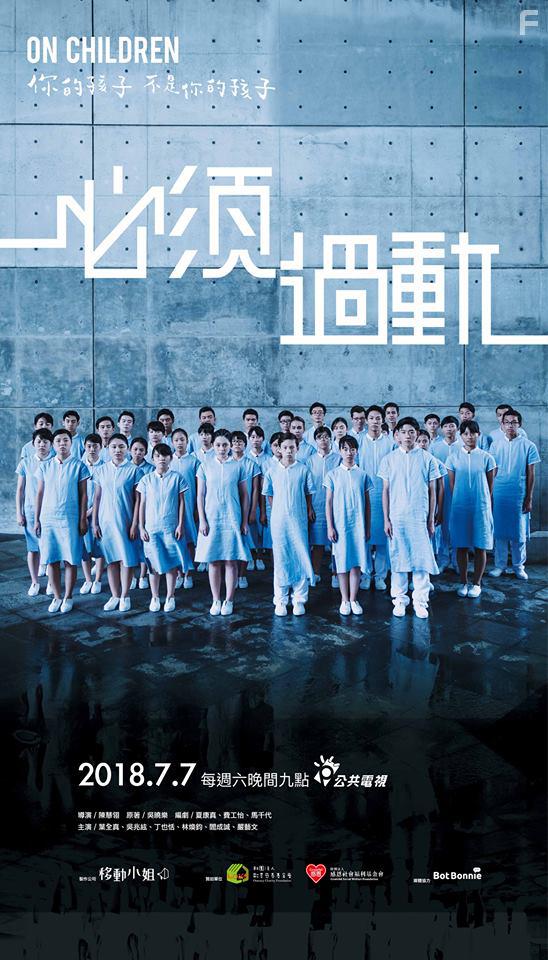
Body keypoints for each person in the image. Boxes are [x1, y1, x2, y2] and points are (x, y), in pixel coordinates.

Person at [379, 418, 442, 618]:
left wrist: (430, 519)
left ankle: (420, 601)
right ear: (397, 435)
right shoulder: (389, 459)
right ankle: (399, 600)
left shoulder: (427, 458)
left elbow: (433, 491)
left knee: (421, 560)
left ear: (417, 433)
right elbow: (385, 491)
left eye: (412, 431)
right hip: (397, 517)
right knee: (399, 559)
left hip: (419, 517)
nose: (408, 435)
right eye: (404, 431)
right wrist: (386, 519)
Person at [194, 429, 251, 616]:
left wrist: (244, 521)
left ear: (230, 446)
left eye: (225, 445)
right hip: (211, 519)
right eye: (218, 445)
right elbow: (200, 495)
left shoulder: (238, 466)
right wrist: (202, 520)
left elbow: (245, 495)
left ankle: (229, 600)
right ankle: (216, 599)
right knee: (214, 560)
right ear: (213, 445)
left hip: (232, 518)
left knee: (230, 560)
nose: (221, 448)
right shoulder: (204, 466)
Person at [34, 429, 90, 613]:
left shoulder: (79, 466)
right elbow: (39, 493)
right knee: (51, 559)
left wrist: (83, 518)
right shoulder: (45, 466)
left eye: (65, 440)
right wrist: (36, 519)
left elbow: (84, 495)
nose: (62, 444)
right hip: (48, 518)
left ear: (71, 443)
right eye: (58, 440)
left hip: (70, 518)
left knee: (70, 559)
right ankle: (57, 597)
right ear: (53, 444)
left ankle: (68, 597)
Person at [262, 433, 315, 617]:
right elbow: (269, 494)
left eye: (292, 447)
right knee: (281, 556)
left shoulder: (303, 469)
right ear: (279, 449)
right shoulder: (272, 471)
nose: (289, 451)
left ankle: (299, 599)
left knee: (300, 554)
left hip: (299, 519)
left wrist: (307, 509)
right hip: (279, 521)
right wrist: (279, 509)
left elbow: (308, 493)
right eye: (285, 447)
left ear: (297, 448)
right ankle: (281, 599)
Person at [445, 421, 497, 597]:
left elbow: (489, 486)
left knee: (480, 545)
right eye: (466, 433)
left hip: (480, 506)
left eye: (473, 433)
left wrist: (483, 501)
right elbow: (452, 485)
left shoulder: (487, 458)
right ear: (461, 436)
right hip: (460, 507)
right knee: (461, 545)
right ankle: (463, 582)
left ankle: (477, 583)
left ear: (478, 434)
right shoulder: (453, 458)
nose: (469, 437)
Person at [92, 434, 142, 612]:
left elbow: (138, 500)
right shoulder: (101, 470)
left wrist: (135, 523)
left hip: (125, 522)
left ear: (127, 449)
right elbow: (97, 498)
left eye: (121, 446)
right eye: (114, 447)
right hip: (105, 522)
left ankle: (125, 596)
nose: (117, 450)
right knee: (111, 560)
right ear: (108, 449)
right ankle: (114, 595)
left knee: (126, 560)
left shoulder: (134, 470)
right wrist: (94, 523)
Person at [489, 408, 540, 580]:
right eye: (507, 422)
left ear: (519, 424)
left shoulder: (528, 445)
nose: (510, 425)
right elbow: (493, 471)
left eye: (514, 422)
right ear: (502, 425)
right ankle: (500, 565)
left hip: (519, 492)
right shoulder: (495, 445)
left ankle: (519, 566)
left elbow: (531, 473)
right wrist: (490, 494)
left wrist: (529, 497)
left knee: (519, 532)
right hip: (500, 492)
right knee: (500, 531)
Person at [137, 443, 190, 612]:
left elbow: (182, 503)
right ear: (152, 458)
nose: (161, 459)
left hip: (171, 527)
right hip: (151, 529)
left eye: (165, 455)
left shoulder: (177, 478)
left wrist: (180, 525)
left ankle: (170, 596)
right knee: (153, 564)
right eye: (158, 456)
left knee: (171, 562)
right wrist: (141, 527)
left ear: (170, 458)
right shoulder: (146, 480)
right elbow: (142, 504)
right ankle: (154, 597)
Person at [324, 435, 372, 615]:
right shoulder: (333, 475)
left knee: (357, 562)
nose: (349, 452)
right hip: (340, 526)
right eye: (345, 449)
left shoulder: (363, 475)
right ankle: (344, 600)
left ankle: (353, 599)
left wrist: (367, 527)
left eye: (352, 449)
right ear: (340, 451)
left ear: (357, 451)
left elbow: (367, 504)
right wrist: (330, 526)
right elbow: (328, 503)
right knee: (342, 562)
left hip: (358, 525)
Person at [358, 405, 395, 591]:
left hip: (384, 494)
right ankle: (365, 574)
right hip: (363, 495)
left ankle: (380, 575)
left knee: (383, 536)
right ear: (366, 420)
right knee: (364, 536)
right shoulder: (358, 442)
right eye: (371, 418)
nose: (375, 421)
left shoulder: (390, 443)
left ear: (383, 420)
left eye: (378, 418)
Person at [15, 428, 54, 595]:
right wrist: (19, 512)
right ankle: (35, 582)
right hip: (30, 510)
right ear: (33, 443)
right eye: (39, 441)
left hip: (50, 511)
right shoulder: (26, 462)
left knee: (51, 548)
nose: (42, 445)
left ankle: (52, 582)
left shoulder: (55, 462)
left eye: (45, 442)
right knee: (33, 548)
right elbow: (20, 490)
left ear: (51, 444)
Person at [308, 426, 341, 583]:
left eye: (326, 436)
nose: (323, 440)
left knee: (337, 543)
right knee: (318, 542)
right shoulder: (310, 460)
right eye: (320, 437)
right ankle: (315, 573)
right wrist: (309, 507)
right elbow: (307, 487)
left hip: (336, 506)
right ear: (315, 440)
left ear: (331, 439)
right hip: (317, 505)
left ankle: (336, 574)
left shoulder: (338, 459)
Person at [230, 430, 261, 588]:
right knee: (232, 544)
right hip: (231, 508)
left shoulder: (251, 464)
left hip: (246, 507)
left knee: (245, 542)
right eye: (234, 442)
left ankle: (242, 575)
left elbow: (255, 489)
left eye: (240, 442)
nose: (237, 444)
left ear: (245, 444)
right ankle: (233, 575)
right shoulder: (227, 463)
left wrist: (253, 510)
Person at [431, 415, 460, 572]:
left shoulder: (462, 446)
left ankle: (457, 560)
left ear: (457, 428)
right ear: (442, 429)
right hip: (441, 492)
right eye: (446, 426)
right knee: (441, 526)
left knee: (456, 526)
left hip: (458, 492)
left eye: (452, 426)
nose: (449, 429)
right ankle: (443, 559)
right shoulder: (434, 447)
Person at [170, 428, 198, 589]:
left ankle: (188, 573)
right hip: (171, 508)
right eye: (176, 440)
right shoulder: (168, 460)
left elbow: (200, 486)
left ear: (187, 442)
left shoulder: (194, 461)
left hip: (189, 505)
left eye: (182, 440)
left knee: (189, 540)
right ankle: (178, 573)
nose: (179, 443)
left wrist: (196, 508)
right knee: (175, 540)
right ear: (172, 442)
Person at [79, 433, 105, 595]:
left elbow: (104, 494)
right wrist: (83, 512)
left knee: (99, 548)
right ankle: (88, 579)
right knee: (84, 549)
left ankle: (98, 580)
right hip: (82, 513)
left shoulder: (105, 467)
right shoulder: (79, 465)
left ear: (101, 447)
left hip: (99, 513)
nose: (92, 449)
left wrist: (92, 511)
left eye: (95, 446)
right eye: (89, 446)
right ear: (85, 447)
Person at [130, 437, 154, 590]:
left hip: (146, 509)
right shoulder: (126, 467)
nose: (138, 452)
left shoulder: (151, 469)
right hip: (128, 509)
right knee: (131, 544)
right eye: (135, 449)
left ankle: (143, 575)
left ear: (145, 452)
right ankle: (132, 575)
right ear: (130, 450)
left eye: (141, 450)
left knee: (144, 543)